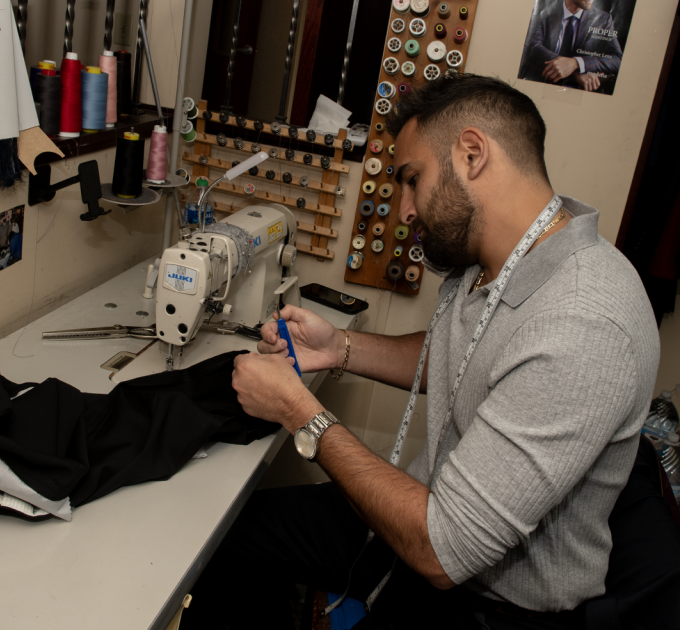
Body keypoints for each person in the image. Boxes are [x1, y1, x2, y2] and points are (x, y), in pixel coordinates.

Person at [182, 74, 659, 629]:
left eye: (412, 179)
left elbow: (442, 551)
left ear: (472, 153)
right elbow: (465, 362)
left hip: (481, 598)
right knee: (225, 536)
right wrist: (341, 348)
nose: (405, 209)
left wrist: (299, 412)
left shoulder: (584, 323)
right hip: (423, 515)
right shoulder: (493, 259)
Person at [520, 0, 622, 92]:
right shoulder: (543, 10)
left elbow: (617, 59)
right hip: (539, 85)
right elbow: (532, 47)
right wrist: (573, 74)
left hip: (583, 92)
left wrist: (576, 63)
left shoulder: (603, 19)